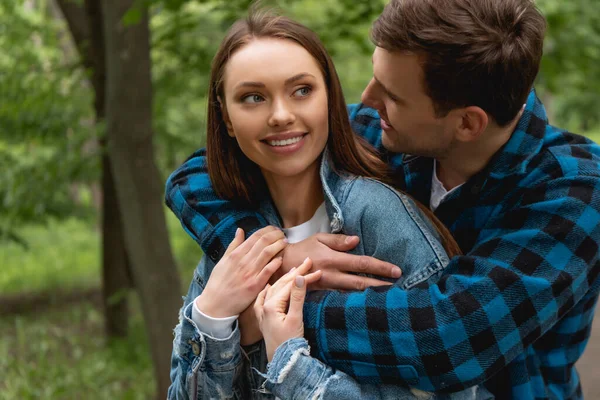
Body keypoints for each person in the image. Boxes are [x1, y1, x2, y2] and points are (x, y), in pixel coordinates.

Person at [166, 0, 600, 398]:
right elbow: (195, 175)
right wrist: (271, 255)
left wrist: (271, 304)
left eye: (391, 95)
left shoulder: (573, 190)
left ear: (467, 123)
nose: (367, 99)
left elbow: (451, 336)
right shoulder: (378, 131)